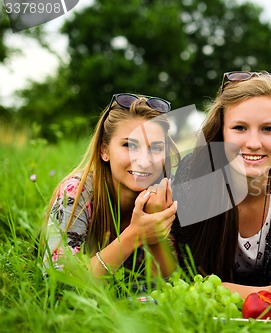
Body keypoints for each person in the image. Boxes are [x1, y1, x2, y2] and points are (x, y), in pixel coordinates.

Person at [171, 71, 271, 312]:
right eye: (240, 127)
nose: (253, 143)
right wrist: (267, 293)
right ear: (221, 133)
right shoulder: (194, 172)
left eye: (268, 129)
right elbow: (190, 279)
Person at [42, 93, 180, 280]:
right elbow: (56, 280)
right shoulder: (77, 191)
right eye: (129, 145)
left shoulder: (165, 194)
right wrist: (134, 234)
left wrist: (155, 226)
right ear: (104, 150)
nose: (144, 161)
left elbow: (171, 283)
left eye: (155, 148)